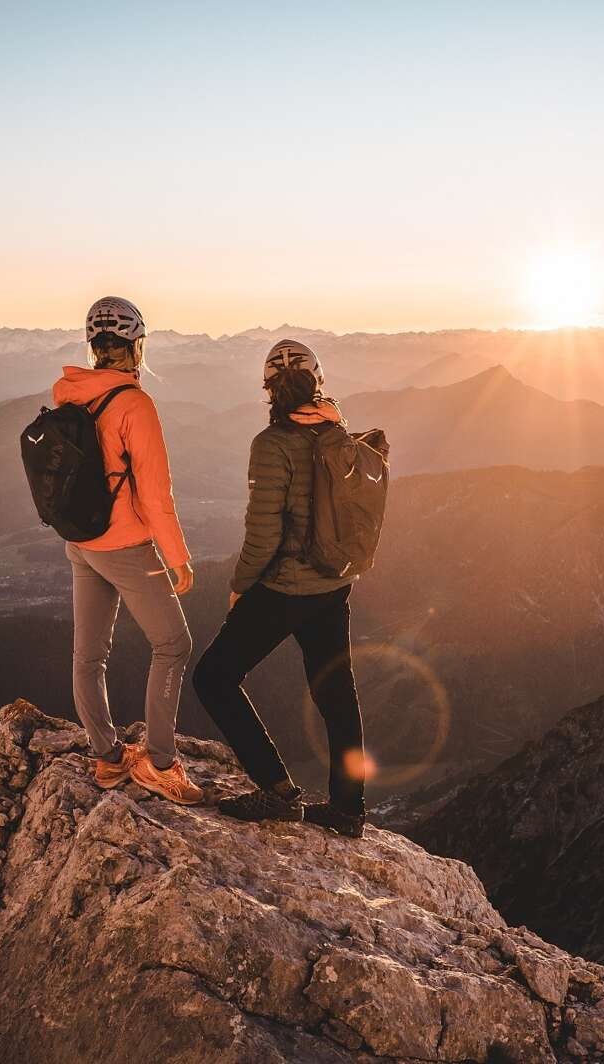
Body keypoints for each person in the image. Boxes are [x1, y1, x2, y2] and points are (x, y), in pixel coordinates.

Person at [193, 339, 368, 838]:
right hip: (334, 584)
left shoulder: (271, 445)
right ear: (318, 382)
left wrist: (240, 586)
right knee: (336, 693)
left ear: (269, 388)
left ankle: (277, 791)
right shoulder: (338, 433)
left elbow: (264, 531)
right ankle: (349, 810)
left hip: (286, 587)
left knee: (213, 677)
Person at [53, 296, 202, 805]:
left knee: (88, 654)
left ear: (93, 346)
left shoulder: (71, 395)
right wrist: (176, 557)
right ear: (136, 346)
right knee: (173, 644)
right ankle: (160, 763)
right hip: (125, 545)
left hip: (81, 542)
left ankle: (107, 758)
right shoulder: (134, 405)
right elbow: (155, 496)